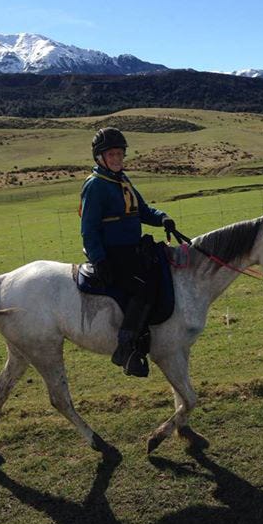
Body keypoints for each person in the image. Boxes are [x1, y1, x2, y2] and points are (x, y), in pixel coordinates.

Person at [79, 127, 176, 377]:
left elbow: (142, 210)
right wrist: (99, 260)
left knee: (161, 271)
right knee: (143, 285)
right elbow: (88, 229)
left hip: (133, 249)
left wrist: (163, 218)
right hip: (113, 254)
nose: (117, 159)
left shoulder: (122, 180)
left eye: (120, 154)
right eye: (111, 155)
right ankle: (127, 348)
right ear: (100, 158)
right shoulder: (96, 186)